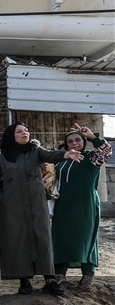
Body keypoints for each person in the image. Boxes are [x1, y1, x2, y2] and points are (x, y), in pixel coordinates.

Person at [0, 122, 83, 296]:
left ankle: (50, 280)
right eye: (20, 131)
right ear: (11, 136)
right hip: (12, 209)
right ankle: (24, 280)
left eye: (26, 130)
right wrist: (1, 198)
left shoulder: (36, 151)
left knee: (43, 240)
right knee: (18, 241)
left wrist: (66, 154)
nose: (25, 133)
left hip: (37, 205)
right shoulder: (2, 158)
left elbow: (51, 155)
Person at [50, 123, 109, 288]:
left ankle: (88, 275)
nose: (74, 143)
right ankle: (60, 274)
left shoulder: (91, 157)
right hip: (63, 205)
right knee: (60, 237)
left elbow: (106, 150)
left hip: (85, 205)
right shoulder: (62, 161)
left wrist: (92, 137)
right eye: (70, 141)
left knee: (85, 238)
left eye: (78, 140)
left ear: (83, 141)